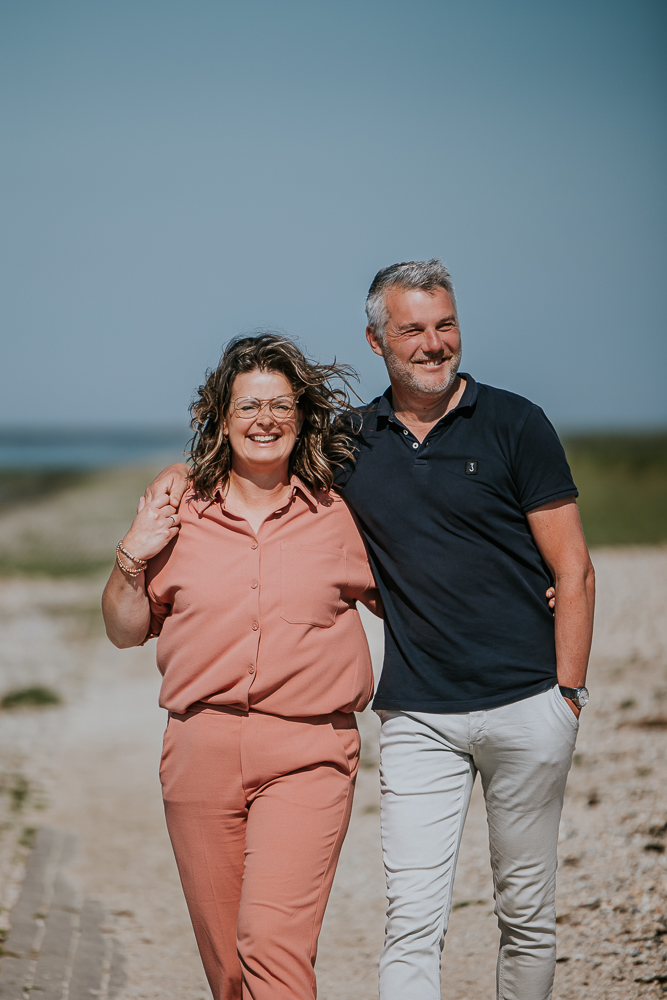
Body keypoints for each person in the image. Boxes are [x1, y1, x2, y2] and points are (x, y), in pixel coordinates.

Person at [147, 259, 595, 1000]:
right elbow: (258, 456)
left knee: (525, 914)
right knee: (411, 921)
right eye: (411, 328)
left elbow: (572, 569)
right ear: (375, 339)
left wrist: (567, 695)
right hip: (417, 714)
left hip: (528, 703)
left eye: (444, 324)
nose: (432, 342)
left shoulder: (517, 422)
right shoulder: (350, 447)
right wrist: (177, 474)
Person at [101, 334, 382, 1000]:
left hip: (308, 751)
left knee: (271, 946)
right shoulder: (177, 512)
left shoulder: (341, 514)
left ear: (302, 415)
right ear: (221, 420)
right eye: (248, 405)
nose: (264, 419)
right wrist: (131, 557)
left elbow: (421, 595)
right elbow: (122, 631)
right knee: (229, 971)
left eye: (280, 404)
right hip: (199, 750)